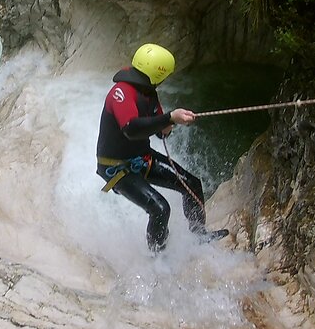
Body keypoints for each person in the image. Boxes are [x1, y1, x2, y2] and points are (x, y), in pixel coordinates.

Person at [96, 43, 228, 253]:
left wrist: (169, 124)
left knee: (191, 184)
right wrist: (168, 118)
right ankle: (158, 260)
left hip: (143, 158)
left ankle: (199, 233)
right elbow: (131, 128)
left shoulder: (148, 93)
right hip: (116, 168)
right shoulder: (120, 93)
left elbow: (159, 130)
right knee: (160, 209)